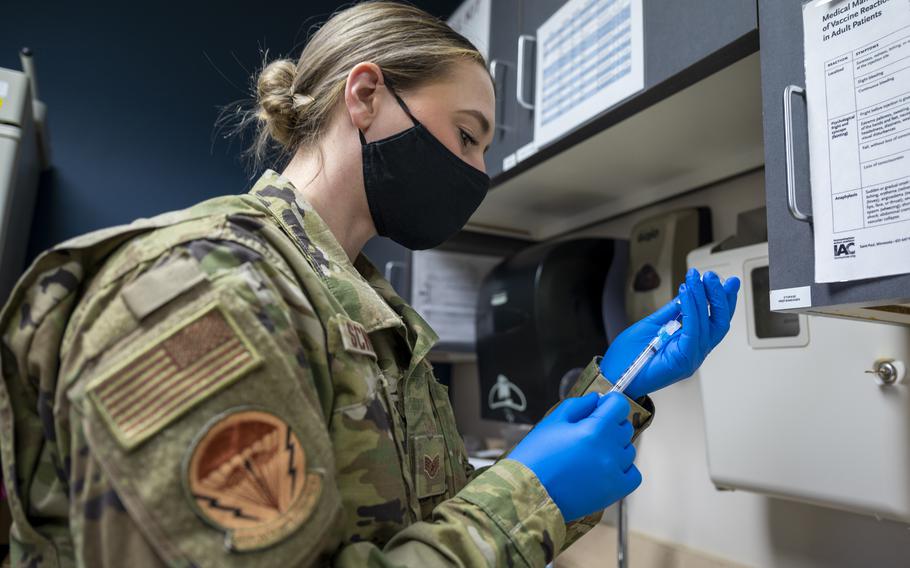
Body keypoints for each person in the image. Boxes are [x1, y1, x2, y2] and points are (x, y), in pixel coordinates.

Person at [0, 2, 740, 567]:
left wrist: (618, 383)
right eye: (467, 135)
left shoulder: (361, 309)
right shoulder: (204, 290)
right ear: (365, 96)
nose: (479, 173)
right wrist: (533, 492)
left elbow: (431, 523)